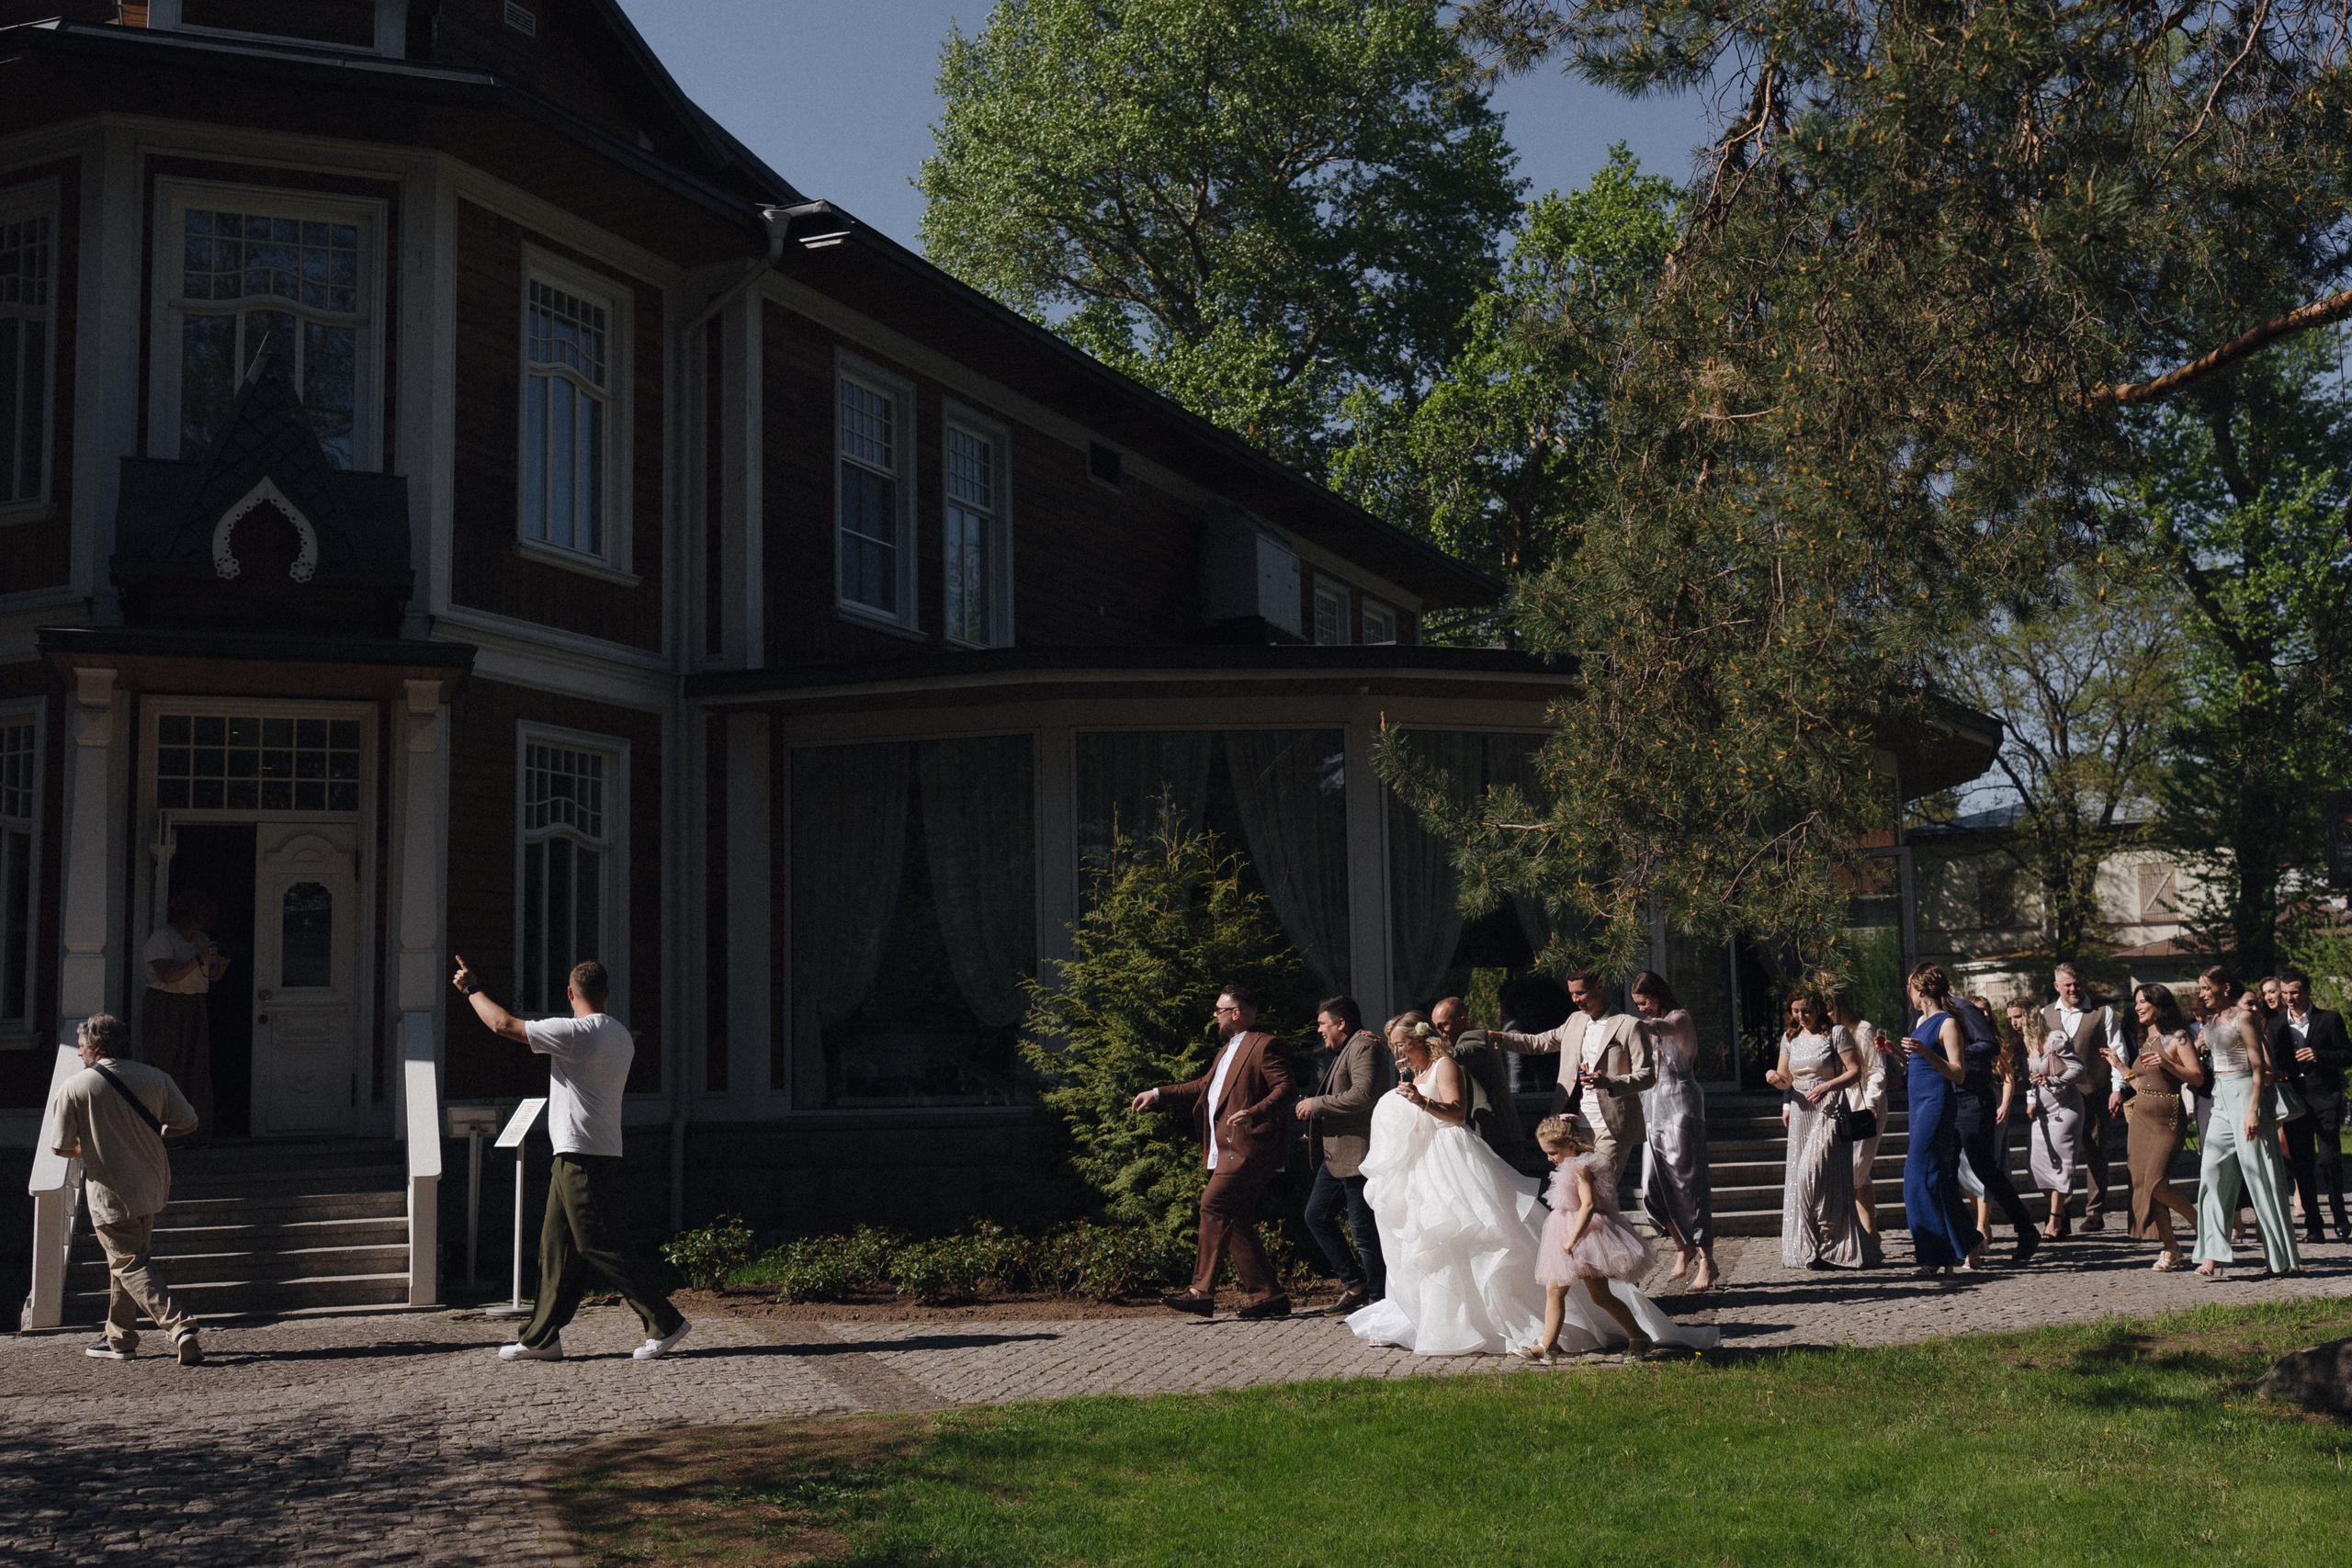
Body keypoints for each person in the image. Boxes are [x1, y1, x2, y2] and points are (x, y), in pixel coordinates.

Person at [1345, 1016, 1714, 1358]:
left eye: (1401, 1043)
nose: (1397, 1051)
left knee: (1482, 1234)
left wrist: (1421, 1100)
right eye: (1393, 1045)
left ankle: (1541, 1328)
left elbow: (1457, 1114)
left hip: (1452, 1158)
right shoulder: (1415, 1072)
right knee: (1435, 1243)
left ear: (1420, 1040)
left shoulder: (1445, 1066)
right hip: (1426, 1165)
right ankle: (1446, 1321)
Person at [454, 954, 692, 1360]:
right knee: (557, 1249)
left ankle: (665, 1322)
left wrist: (471, 988)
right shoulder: (620, 1034)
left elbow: (503, 1025)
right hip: (590, 1151)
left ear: (569, 993)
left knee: (601, 1244)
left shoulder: (575, 1033)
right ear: (606, 993)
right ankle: (542, 1339)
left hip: (581, 1155)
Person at [45, 1014, 203, 1365]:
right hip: (152, 1184)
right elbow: (189, 1123)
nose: (78, 1052)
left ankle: (180, 1326)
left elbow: (60, 1147)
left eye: (81, 1045)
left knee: (129, 1264)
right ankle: (120, 1338)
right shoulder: (156, 1077)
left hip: (111, 1192)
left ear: (96, 1047)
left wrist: (90, 1146)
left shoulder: (76, 1086)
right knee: (128, 1261)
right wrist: (159, 1133)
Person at [1134, 983, 1297, 1320]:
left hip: (1247, 1149)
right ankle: (1270, 1296)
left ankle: (1200, 1292)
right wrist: (1158, 1093)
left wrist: (1254, 1112)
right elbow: (1201, 1087)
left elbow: (1286, 1088)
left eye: (1219, 1010)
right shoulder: (1225, 1051)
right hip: (1223, 1150)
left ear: (1236, 1014)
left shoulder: (1264, 1045)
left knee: (1213, 1205)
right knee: (1234, 1220)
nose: (1214, 1015)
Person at [2189, 966, 2301, 1280]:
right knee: (2211, 1173)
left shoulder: (2244, 1018)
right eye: (2201, 988)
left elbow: (2259, 1066)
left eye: (2206, 987)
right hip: (2220, 1098)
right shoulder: (2210, 1023)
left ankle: (2278, 1258)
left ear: (2225, 987)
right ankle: (2212, 1254)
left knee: (2260, 1175)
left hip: (2246, 1095)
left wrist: (2253, 1111)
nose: (2202, 994)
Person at [1491, 972, 1657, 1179]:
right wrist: (1500, 1038)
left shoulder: (1629, 1025)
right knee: (1576, 1189)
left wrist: (1609, 1082)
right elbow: (1538, 1043)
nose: (1575, 999)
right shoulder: (1575, 1020)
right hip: (1572, 1123)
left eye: (1580, 993)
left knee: (1598, 1187)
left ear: (1600, 987)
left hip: (1611, 1125)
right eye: (1571, 994)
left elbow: (1647, 1075)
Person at [1527, 1114, 1657, 1363]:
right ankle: (1548, 1346)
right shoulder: (1569, 1167)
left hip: (1584, 1235)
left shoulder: (1580, 1169)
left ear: (1570, 1146)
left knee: (1599, 1296)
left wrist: (1572, 1239)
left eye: (1553, 1153)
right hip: (1567, 1229)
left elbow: (1588, 1205)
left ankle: (1638, 1336)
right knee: (1556, 1289)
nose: (1549, 1159)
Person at [1295, 994, 1391, 1312]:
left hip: (1358, 1154)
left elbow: (1363, 1095)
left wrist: (1317, 1104)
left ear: (1341, 1023)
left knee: (1363, 1232)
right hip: (1337, 1156)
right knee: (1316, 1216)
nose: (1319, 1030)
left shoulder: (1363, 1047)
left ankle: (1377, 1300)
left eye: (1323, 1023)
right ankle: (1355, 1286)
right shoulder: (1348, 1048)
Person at [1765, 989, 1869, 1269]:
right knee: (1806, 1179)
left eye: (1806, 1011)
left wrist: (1827, 1086)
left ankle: (1835, 1246)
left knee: (1814, 1175)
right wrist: (1773, 1077)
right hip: (1801, 1111)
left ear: (1819, 1009)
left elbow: (1855, 1071)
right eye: (1795, 1011)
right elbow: (1785, 1078)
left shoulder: (1836, 1034)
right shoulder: (1790, 1038)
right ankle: (1813, 1247)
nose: (1801, 1016)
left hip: (1830, 1108)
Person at [1630, 970, 1718, 1291]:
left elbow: (1661, 1027)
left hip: (1681, 1105)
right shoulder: (1648, 1022)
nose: (1642, 1009)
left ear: (1659, 995)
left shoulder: (1679, 1018)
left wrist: (1627, 1024)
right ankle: (1684, 1245)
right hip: (1653, 1107)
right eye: (1637, 1005)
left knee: (1689, 1186)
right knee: (1651, 1187)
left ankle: (1707, 1261)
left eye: (1645, 1002)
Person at [2109, 983, 2200, 1270]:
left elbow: (2197, 1076)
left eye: (2143, 1001)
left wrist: (2167, 1063)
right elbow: (2144, 1086)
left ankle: (2205, 1229)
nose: (2137, 1007)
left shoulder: (2179, 1037)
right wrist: (2121, 1067)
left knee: (2158, 1184)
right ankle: (2171, 1247)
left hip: (2167, 1120)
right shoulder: (2145, 1037)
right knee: (2145, 1186)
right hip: (2141, 1121)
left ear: (2159, 1005)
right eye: (2136, 1002)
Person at [1899, 965, 1984, 1276]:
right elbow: (1921, 1064)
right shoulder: (1920, 1022)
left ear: (1921, 991)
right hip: (1917, 1102)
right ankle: (1966, 1241)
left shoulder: (1947, 1022)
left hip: (1936, 1103)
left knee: (1917, 1177)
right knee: (1935, 1178)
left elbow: (1957, 1073)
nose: (1909, 994)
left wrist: (1925, 1052)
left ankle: (1935, 1254)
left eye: (1910, 988)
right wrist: (1899, 1054)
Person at [1950, 988, 2040, 1265]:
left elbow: (2004, 1069)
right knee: (1948, 1172)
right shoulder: (1936, 1017)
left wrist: (1954, 1050)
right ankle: (1968, 1240)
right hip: (1949, 1100)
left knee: (1986, 1170)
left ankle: (2017, 1228)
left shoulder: (1965, 1015)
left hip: (1975, 1101)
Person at [2041, 964, 2125, 1232]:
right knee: (2058, 1153)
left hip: (2095, 1091)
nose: (2073, 989)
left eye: (2077, 984)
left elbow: (2117, 1049)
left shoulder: (2102, 1012)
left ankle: (2095, 1211)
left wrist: (2117, 1088)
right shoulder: (2045, 1014)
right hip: (2058, 1098)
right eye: (2067, 985)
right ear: (2057, 986)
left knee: (2095, 1150)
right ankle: (2060, 1214)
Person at [2270, 968, 2349, 1245]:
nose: (2289, 998)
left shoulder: (2329, 1019)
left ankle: (2340, 1215)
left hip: (2325, 1097)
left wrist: (2319, 1055)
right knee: (2301, 1163)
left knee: (2329, 1160)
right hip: (2295, 1100)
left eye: (2294, 992)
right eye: (2285, 993)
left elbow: (2346, 1055)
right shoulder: (2277, 1025)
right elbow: (2274, 1060)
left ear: (2307, 991)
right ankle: (2314, 1225)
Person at [142, 888, 229, 1141]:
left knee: (195, 1066)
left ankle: (193, 1134)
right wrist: (198, 959)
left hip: (194, 1005)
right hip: (166, 1006)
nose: (199, 926)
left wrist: (221, 964)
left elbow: (210, 976)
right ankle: (161, 1134)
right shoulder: (163, 938)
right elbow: (167, 976)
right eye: (196, 919)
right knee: (166, 1064)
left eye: (203, 921)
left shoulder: (201, 939)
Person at [2020, 1007, 2089, 1241]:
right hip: (2041, 1113)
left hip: (2064, 1109)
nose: (2013, 1023)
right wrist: (2030, 1100)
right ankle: (2059, 1211)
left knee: (2060, 1163)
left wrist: (2051, 1080)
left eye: (2017, 1017)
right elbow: (2031, 1080)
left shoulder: (2054, 1039)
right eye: (2010, 1018)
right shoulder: (2025, 1046)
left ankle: (2054, 1220)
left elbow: (2079, 1070)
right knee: (2036, 1166)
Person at [1829, 991, 1889, 1257]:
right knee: (1857, 1172)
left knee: (1855, 1169)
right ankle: (1869, 1233)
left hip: (1863, 1105)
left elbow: (1877, 1070)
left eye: (1829, 1008)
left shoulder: (1862, 1030)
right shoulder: (1827, 1033)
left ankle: (1857, 1234)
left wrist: (1871, 1102)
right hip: (1839, 1106)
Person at [1431, 995, 1524, 1168]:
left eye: (1443, 1025)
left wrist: (1421, 1045)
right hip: (1480, 1134)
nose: (1439, 1032)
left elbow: (1458, 1054)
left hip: (1498, 1135)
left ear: (1462, 1021)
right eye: (1435, 1027)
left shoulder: (1477, 1037)